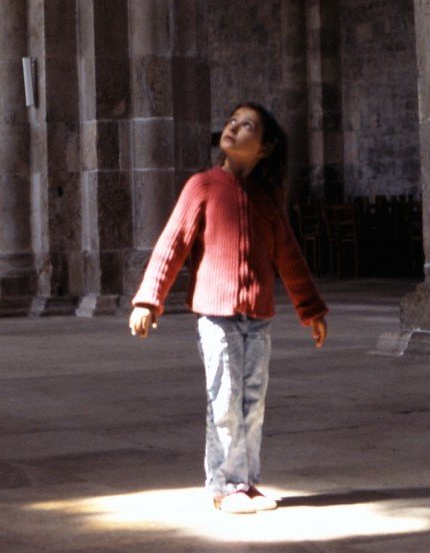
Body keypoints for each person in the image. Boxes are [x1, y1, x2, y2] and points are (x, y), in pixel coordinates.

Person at [128, 102, 329, 514]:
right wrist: (149, 300)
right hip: (216, 316)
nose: (234, 127)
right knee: (225, 399)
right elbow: (171, 245)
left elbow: (288, 254)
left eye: (247, 125)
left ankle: (247, 481)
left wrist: (311, 309)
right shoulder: (202, 186)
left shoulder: (267, 198)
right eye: (233, 121)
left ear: (266, 147)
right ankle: (223, 485)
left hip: (258, 316)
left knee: (253, 401)